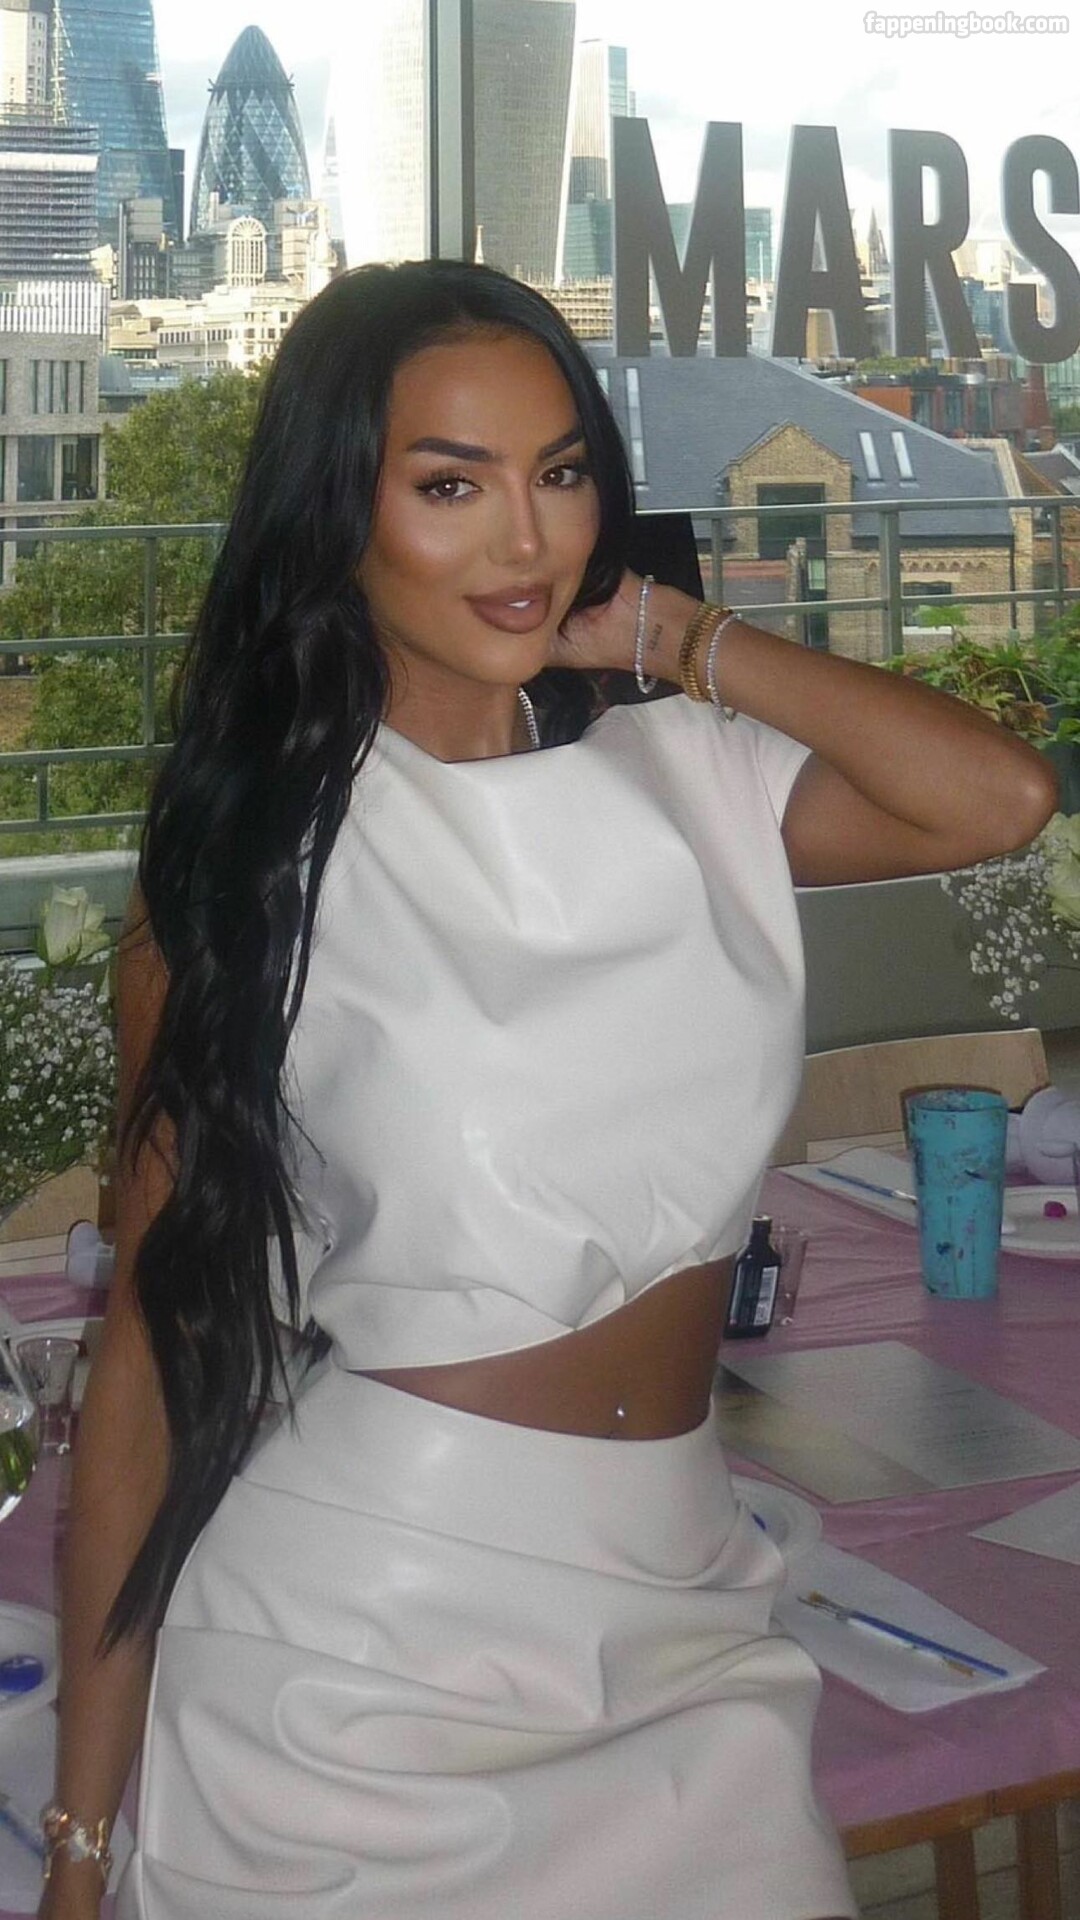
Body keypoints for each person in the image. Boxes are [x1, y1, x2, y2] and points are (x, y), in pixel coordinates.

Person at [41, 260, 1056, 1920]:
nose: (526, 542)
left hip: (688, 1603)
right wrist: (82, 1850)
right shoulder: (254, 875)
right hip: (370, 1641)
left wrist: (679, 635)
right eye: (451, 486)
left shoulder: (689, 774)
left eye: (561, 472)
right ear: (337, 514)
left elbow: (997, 800)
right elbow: (148, 1369)